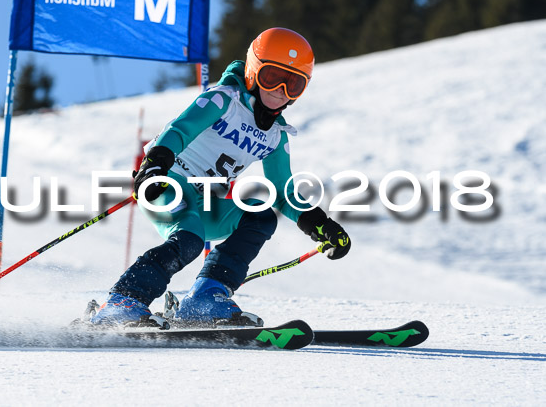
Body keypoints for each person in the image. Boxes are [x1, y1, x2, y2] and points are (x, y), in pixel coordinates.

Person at [90, 28, 352, 328]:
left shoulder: (276, 136)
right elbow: (180, 130)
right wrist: (155, 163)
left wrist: (320, 224)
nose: (280, 89)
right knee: (189, 239)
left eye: (293, 84)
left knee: (261, 215)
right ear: (253, 71)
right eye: (271, 77)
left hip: (205, 201)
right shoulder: (224, 100)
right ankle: (123, 301)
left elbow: (283, 191)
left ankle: (206, 296)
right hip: (168, 183)